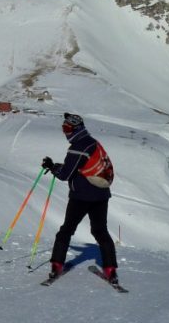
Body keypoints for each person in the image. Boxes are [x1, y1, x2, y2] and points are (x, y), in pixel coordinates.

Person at [42, 113, 119, 283]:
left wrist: (52, 168)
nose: (65, 132)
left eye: (67, 128)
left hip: (81, 197)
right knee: (100, 231)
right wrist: (55, 166)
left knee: (66, 230)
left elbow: (65, 174)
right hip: (101, 195)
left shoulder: (77, 147)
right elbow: (78, 167)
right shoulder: (92, 142)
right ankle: (111, 269)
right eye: (63, 128)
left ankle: (56, 266)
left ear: (75, 129)